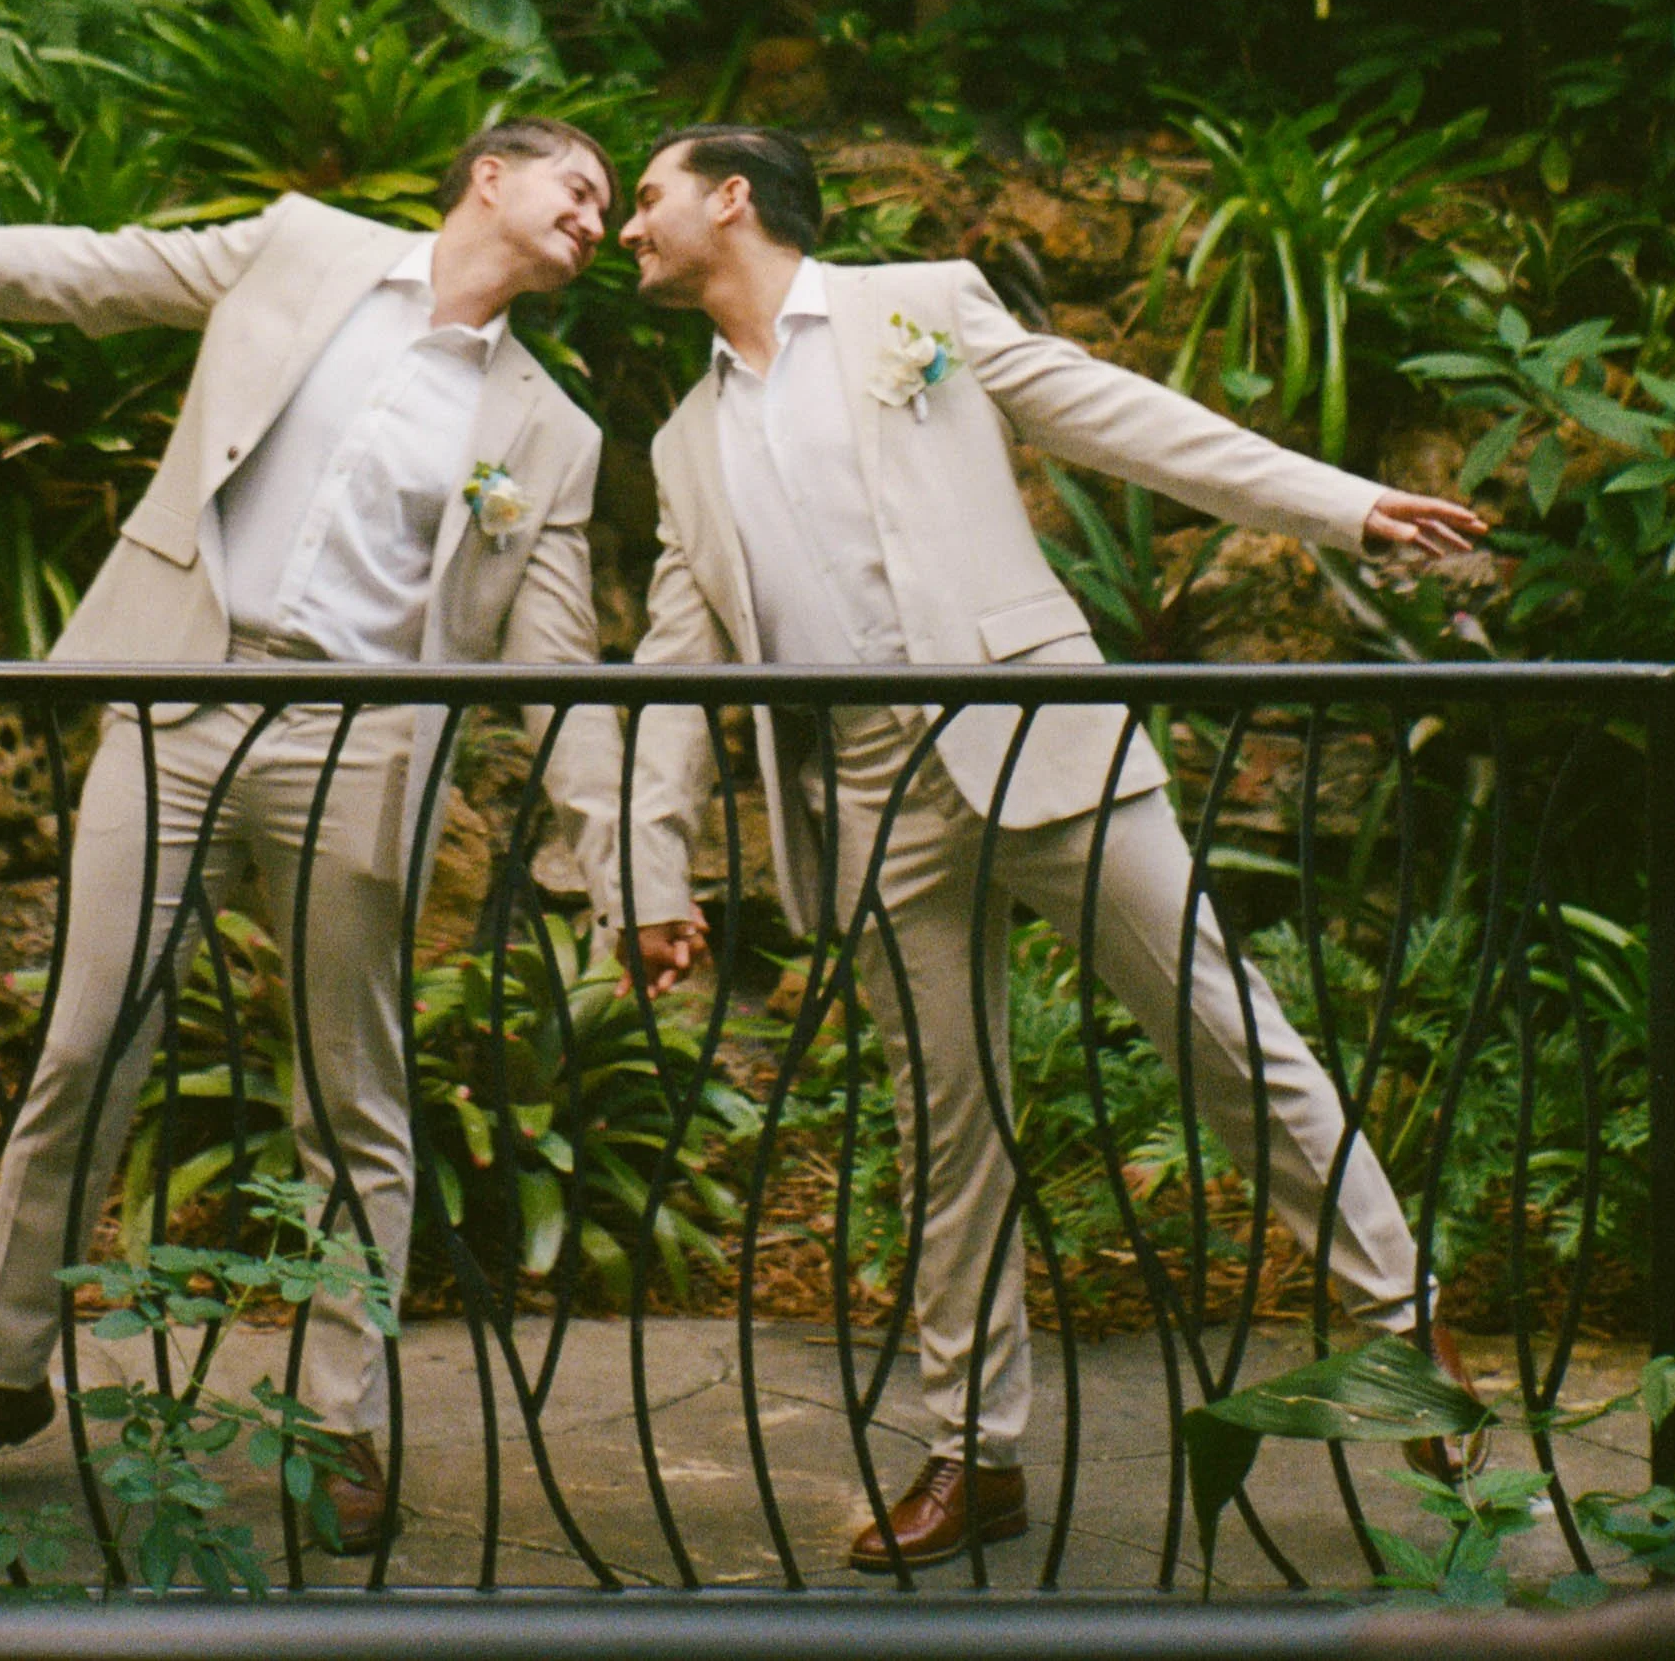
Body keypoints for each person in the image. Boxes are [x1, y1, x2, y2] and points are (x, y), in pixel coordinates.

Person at [0, 118, 625, 1555]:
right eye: (577, 186)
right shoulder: (305, 249)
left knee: (352, 1096)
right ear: (488, 177)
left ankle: (334, 1416)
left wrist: (628, 863)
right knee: (85, 1052)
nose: (595, 217)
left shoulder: (552, 433)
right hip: (178, 700)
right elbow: (91, 274)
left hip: (360, 745)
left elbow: (561, 666)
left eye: (607, 207)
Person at [614, 124, 1486, 1575]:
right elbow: (668, 662)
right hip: (870, 791)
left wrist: (1341, 505)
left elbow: (1122, 420)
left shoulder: (918, 307)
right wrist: (649, 873)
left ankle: (1404, 1321)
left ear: (732, 197)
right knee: (943, 1128)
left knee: (1221, 1029)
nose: (627, 227)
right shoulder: (680, 443)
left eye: (647, 197)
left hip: (1037, 733)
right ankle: (976, 1453)